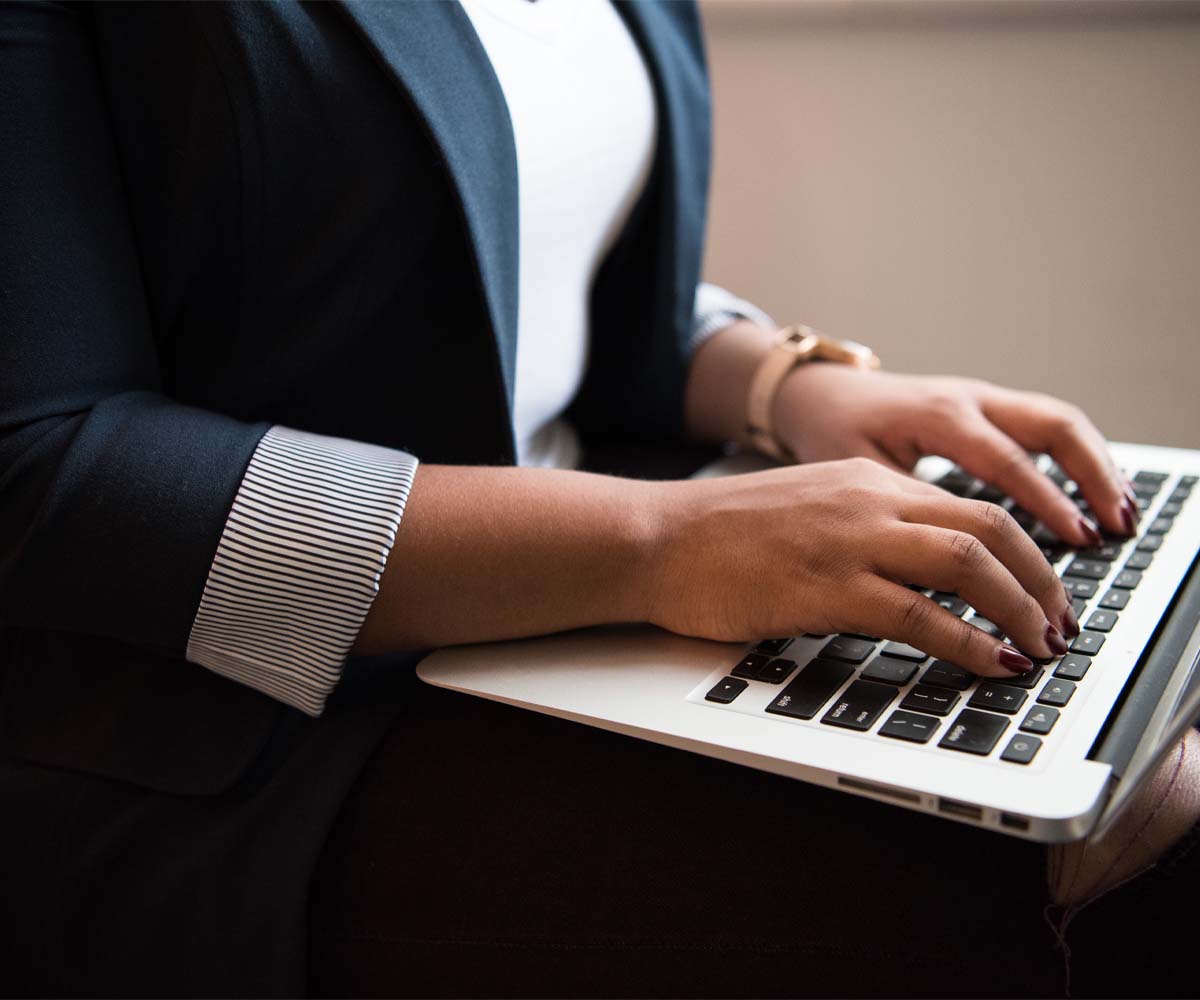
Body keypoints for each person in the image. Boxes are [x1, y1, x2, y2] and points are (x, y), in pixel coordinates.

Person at [0, 1, 1193, 995]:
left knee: (1140, 719)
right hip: (231, 734)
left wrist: (782, 385)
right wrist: (657, 541)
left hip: (580, 606)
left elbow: (530, 277)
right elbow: (41, 463)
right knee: (1094, 838)